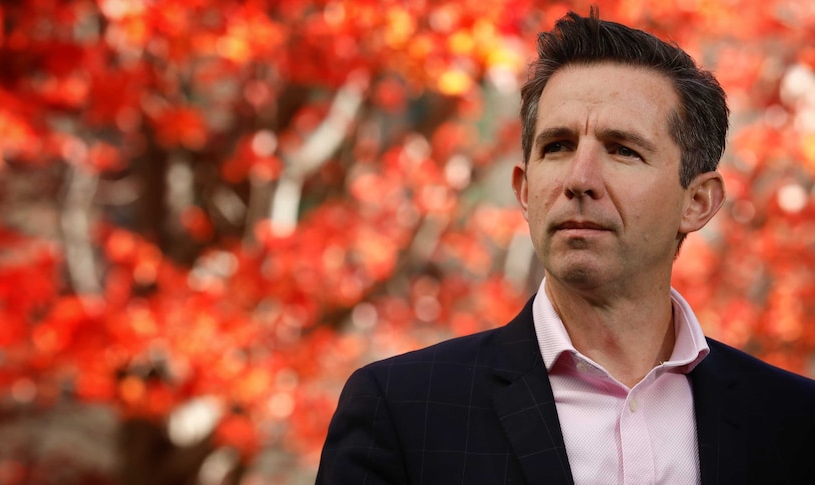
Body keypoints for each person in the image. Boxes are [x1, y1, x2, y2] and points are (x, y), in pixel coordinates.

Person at [316, 9, 815, 485]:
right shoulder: (404, 411)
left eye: (623, 150)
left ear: (698, 201)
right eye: (556, 146)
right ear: (526, 191)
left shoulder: (792, 421)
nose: (580, 179)